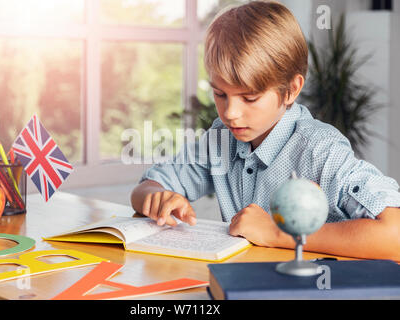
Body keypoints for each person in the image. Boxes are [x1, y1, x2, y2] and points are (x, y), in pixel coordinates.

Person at [130, 1, 400, 261]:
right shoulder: (221, 139)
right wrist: (157, 197)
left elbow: (395, 234)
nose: (230, 113)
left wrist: (276, 233)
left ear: (292, 90)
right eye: (220, 94)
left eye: (249, 98)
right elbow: (147, 187)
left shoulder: (321, 150)